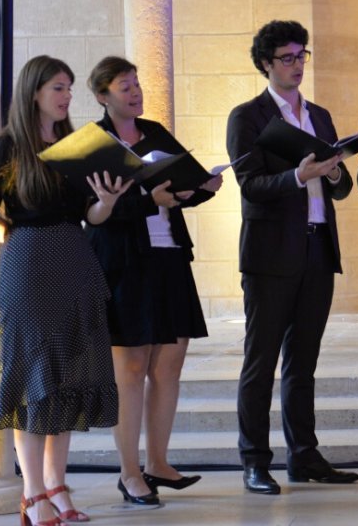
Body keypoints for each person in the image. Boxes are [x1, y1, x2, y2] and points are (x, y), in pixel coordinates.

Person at [0, 55, 130, 525]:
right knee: (31, 380)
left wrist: (106, 202)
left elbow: (91, 215)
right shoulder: (8, 147)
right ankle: (33, 494)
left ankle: (58, 486)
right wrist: (22, 241)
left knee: (69, 377)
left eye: (68, 88)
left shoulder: (75, 145)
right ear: (35, 91)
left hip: (75, 260)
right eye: (59, 88)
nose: (66, 97)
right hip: (28, 267)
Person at [226, 20, 358, 494]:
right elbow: (250, 187)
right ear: (266, 63)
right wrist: (299, 177)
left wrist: (336, 173)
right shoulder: (249, 117)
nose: (298, 65)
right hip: (270, 256)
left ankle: (303, 455)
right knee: (260, 363)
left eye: (303, 55)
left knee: (303, 363)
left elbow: (340, 188)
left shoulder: (319, 116)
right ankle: (254, 461)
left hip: (318, 249)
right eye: (287, 57)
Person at [83, 57, 223, 504]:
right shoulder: (93, 143)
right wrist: (149, 198)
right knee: (131, 369)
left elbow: (182, 182)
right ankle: (129, 473)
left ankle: (158, 462)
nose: (135, 92)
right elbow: (93, 213)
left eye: (137, 84)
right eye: (125, 86)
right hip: (125, 264)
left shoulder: (156, 131)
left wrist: (201, 188)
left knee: (169, 365)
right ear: (103, 95)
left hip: (169, 257)